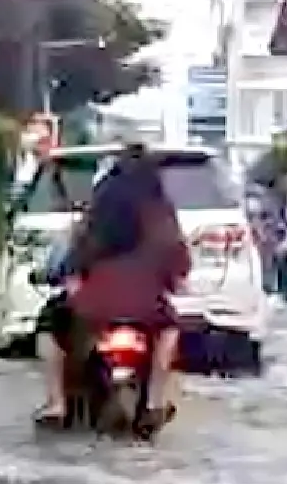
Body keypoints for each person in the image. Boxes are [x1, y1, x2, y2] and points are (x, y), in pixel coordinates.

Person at [34, 148, 190, 426]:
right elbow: (179, 267)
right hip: (147, 308)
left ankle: (56, 403)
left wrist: (73, 287)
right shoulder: (161, 216)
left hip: (92, 309)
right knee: (169, 330)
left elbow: (72, 264)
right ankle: (155, 401)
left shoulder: (96, 215)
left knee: (47, 327)